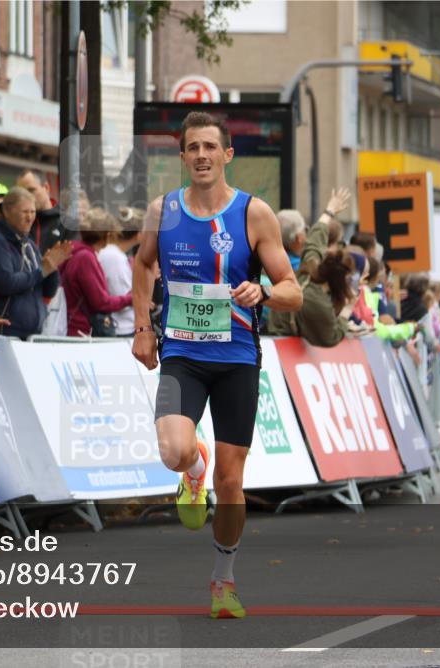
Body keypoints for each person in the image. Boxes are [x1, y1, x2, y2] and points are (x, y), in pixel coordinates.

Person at [131, 111, 302, 619]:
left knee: (232, 483)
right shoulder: (163, 210)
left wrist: (264, 291)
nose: (202, 155)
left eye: (211, 146)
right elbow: (142, 264)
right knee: (172, 450)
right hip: (182, 355)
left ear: (227, 155)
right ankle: (192, 468)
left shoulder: (255, 214)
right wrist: (143, 328)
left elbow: (293, 291)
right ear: (182, 157)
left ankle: (223, 579)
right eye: (192, 147)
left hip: (235, 360)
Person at [265, 188, 356, 347]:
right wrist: (347, 310)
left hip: (273, 332)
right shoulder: (317, 302)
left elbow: (315, 240)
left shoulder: (310, 267)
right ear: (339, 280)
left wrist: (330, 211)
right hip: (281, 340)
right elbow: (330, 338)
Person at [0, 187, 73, 339]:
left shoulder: (29, 243)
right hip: (7, 333)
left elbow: (48, 291)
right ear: (7, 212)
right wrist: (42, 271)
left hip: (33, 333)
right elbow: (6, 282)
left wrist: (52, 267)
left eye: (33, 212)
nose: (30, 217)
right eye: (25, 212)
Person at [61, 207, 133, 337]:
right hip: (80, 331)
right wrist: (130, 298)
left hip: (73, 327)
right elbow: (101, 303)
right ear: (107, 235)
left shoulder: (75, 251)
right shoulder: (85, 258)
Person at [99, 207, 143, 337]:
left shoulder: (117, 255)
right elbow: (122, 294)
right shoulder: (114, 257)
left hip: (122, 325)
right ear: (139, 234)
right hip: (121, 328)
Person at [16, 169, 68, 254]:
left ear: (46, 188)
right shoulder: (18, 224)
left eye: (31, 190)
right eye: (22, 193)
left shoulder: (66, 221)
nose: (27, 197)